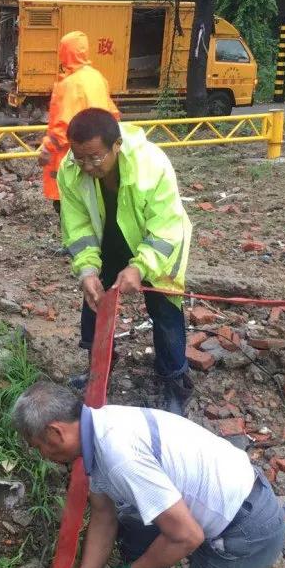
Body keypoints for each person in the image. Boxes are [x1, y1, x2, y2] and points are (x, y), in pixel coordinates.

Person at [11, 382, 285, 568]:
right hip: (217, 511)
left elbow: (187, 536)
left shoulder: (119, 456)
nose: (41, 454)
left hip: (243, 533)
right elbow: (104, 514)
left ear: (55, 432)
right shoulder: (99, 428)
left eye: (38, 446)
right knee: (133, 531)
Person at [58, 107, 192, 414]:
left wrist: (140, 267)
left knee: (164, 308)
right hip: (107, 239)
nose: (87, 166)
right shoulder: (70, 168)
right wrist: (88, 269)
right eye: (80, 157)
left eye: (95, 157)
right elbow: (76, 226)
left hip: (155, 245)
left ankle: (175, 381)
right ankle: (99, 370)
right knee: (94, 300)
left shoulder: (151, 164)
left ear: (116, 145)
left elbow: (166, 226)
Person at [39, 31, 120, 212]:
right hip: (100, 155)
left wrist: (47, 149)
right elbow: (112, 114)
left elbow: (63, 126)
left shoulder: (70, 84)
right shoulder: (97, 78)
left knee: (72, 211)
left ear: (65, 52)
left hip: (73, 159)